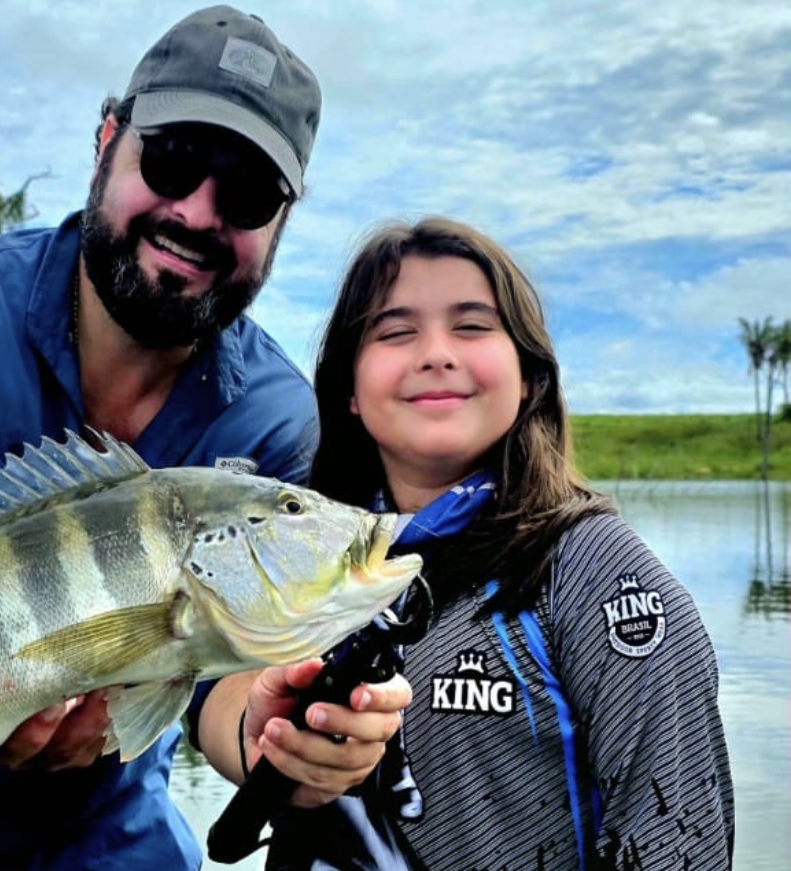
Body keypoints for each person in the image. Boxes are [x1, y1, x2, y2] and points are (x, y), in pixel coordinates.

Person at [0, 7, 411, 870]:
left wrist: (269, 728)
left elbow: (217, 682)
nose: (197, 211)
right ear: (108, 138)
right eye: (174, 159)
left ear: (282, 221)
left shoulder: (271, 414)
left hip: (102, 805)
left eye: (250, 194)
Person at [211, 215, 734, 869]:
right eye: (395, 331)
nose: (435, 352)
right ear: (347, 388)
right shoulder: (304, 559)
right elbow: (220, 698)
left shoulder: (600, 573)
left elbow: (680, 836)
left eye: (473, 325)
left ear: (529, 377)